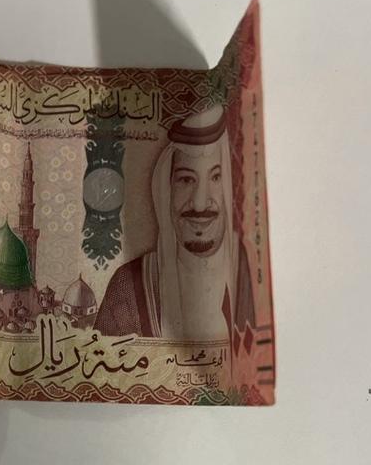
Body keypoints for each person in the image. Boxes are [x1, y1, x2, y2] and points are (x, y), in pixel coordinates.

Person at [95, 105, 255, 340]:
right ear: (167, 190)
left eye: (215, 177)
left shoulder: (246, 271)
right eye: (186, 180)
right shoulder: (128, 286)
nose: (199, 204)